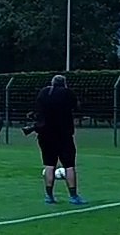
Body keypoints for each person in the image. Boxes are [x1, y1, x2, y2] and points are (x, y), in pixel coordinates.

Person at [34, 74, 86, 205]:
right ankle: (73, 196)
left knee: (49, 165)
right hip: (63, 134)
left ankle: (49, 195)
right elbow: (77, 107)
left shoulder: (44, 93)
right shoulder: (67, 93)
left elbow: (38, 110)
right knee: (69, 165)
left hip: (45, 134)